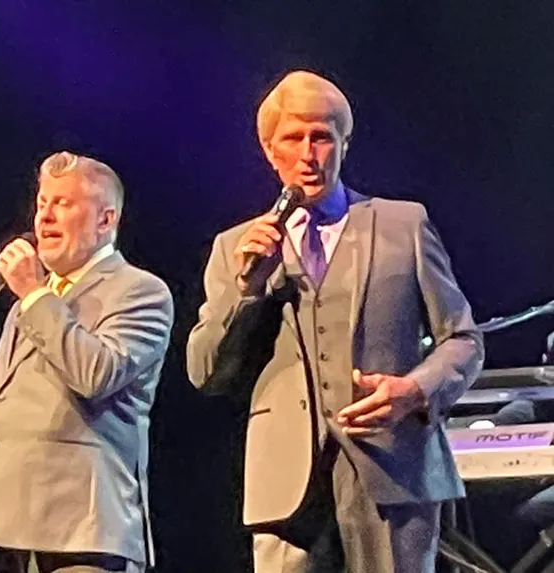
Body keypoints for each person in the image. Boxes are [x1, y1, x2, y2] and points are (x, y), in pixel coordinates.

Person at [186, 70, 484, 572]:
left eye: (322, 136)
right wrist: (247, 291)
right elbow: (205, 372)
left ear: (344, 143)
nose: (308, 153)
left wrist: (413, 390)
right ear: (269, 149)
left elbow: (464, 340)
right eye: (293, 138)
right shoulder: (234, 246)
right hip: (285, 486)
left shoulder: (402, 223)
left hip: (393, 473)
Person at [0, 151, 174, 573]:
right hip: (15, 535)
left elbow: (95, 375)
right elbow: (25, 422)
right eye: (42, 203)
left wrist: (33, 293)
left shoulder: (139, 292)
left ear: (106, 220)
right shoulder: (29, 304)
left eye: (63, 204)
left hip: (84, 534)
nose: (43, 218)